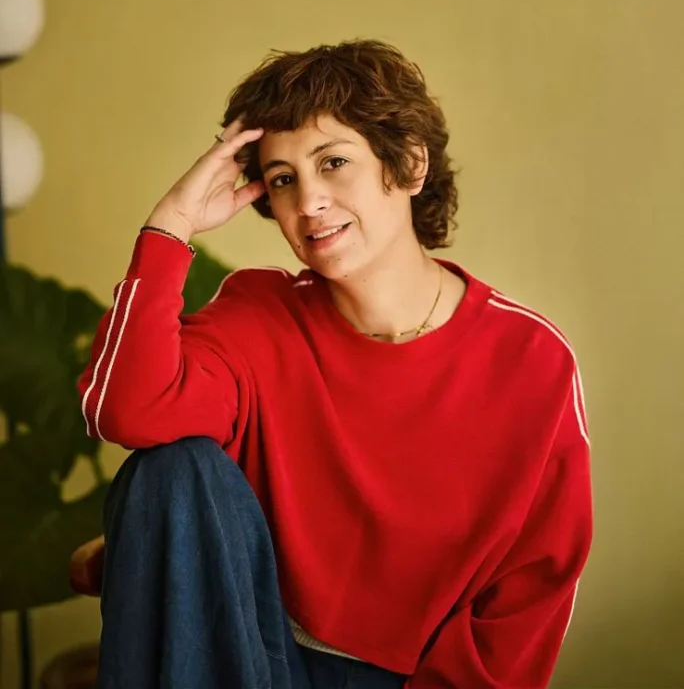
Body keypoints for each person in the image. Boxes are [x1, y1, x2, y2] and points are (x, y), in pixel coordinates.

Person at [79, 39, 592, 689]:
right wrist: (170, 225)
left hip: (411, 677)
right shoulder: (259, 315)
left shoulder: (531, 360)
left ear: (409, 164)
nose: (309, 202)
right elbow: (126, 411)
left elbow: (526, 597)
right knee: (170, 467)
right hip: (254, 654)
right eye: (283, 178)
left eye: (334, 162)